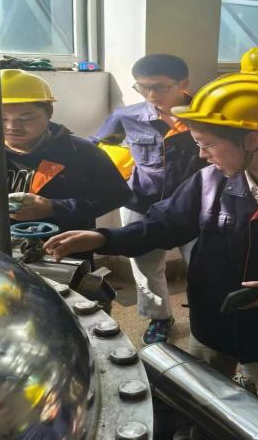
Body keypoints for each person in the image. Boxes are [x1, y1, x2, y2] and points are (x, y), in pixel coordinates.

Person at [45, 73, 258, 426]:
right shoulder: (210, 181)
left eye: (207, 143)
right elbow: (164, 224)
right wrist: (105, 239)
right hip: (214, 321)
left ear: (252, 139)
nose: (201, 154)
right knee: (202, 403)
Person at [0, 69, 131, 310]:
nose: (12, 127)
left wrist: (54, 207)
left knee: (66, 312)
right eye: (1, 118)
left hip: (62, 256)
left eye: (26, 118)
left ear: (48, 113)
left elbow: (116, 194)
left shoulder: (82, 153)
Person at [89, 54, 207, 344]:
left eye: (160, 87)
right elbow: (95, 149)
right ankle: (160, 318)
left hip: (196, 204)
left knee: (203, 264)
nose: (151, 94)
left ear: (183, 84)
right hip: (141, 201)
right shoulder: (126, 117)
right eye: (142, 87)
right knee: (145, 266)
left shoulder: (206, 114)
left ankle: (206, 317)